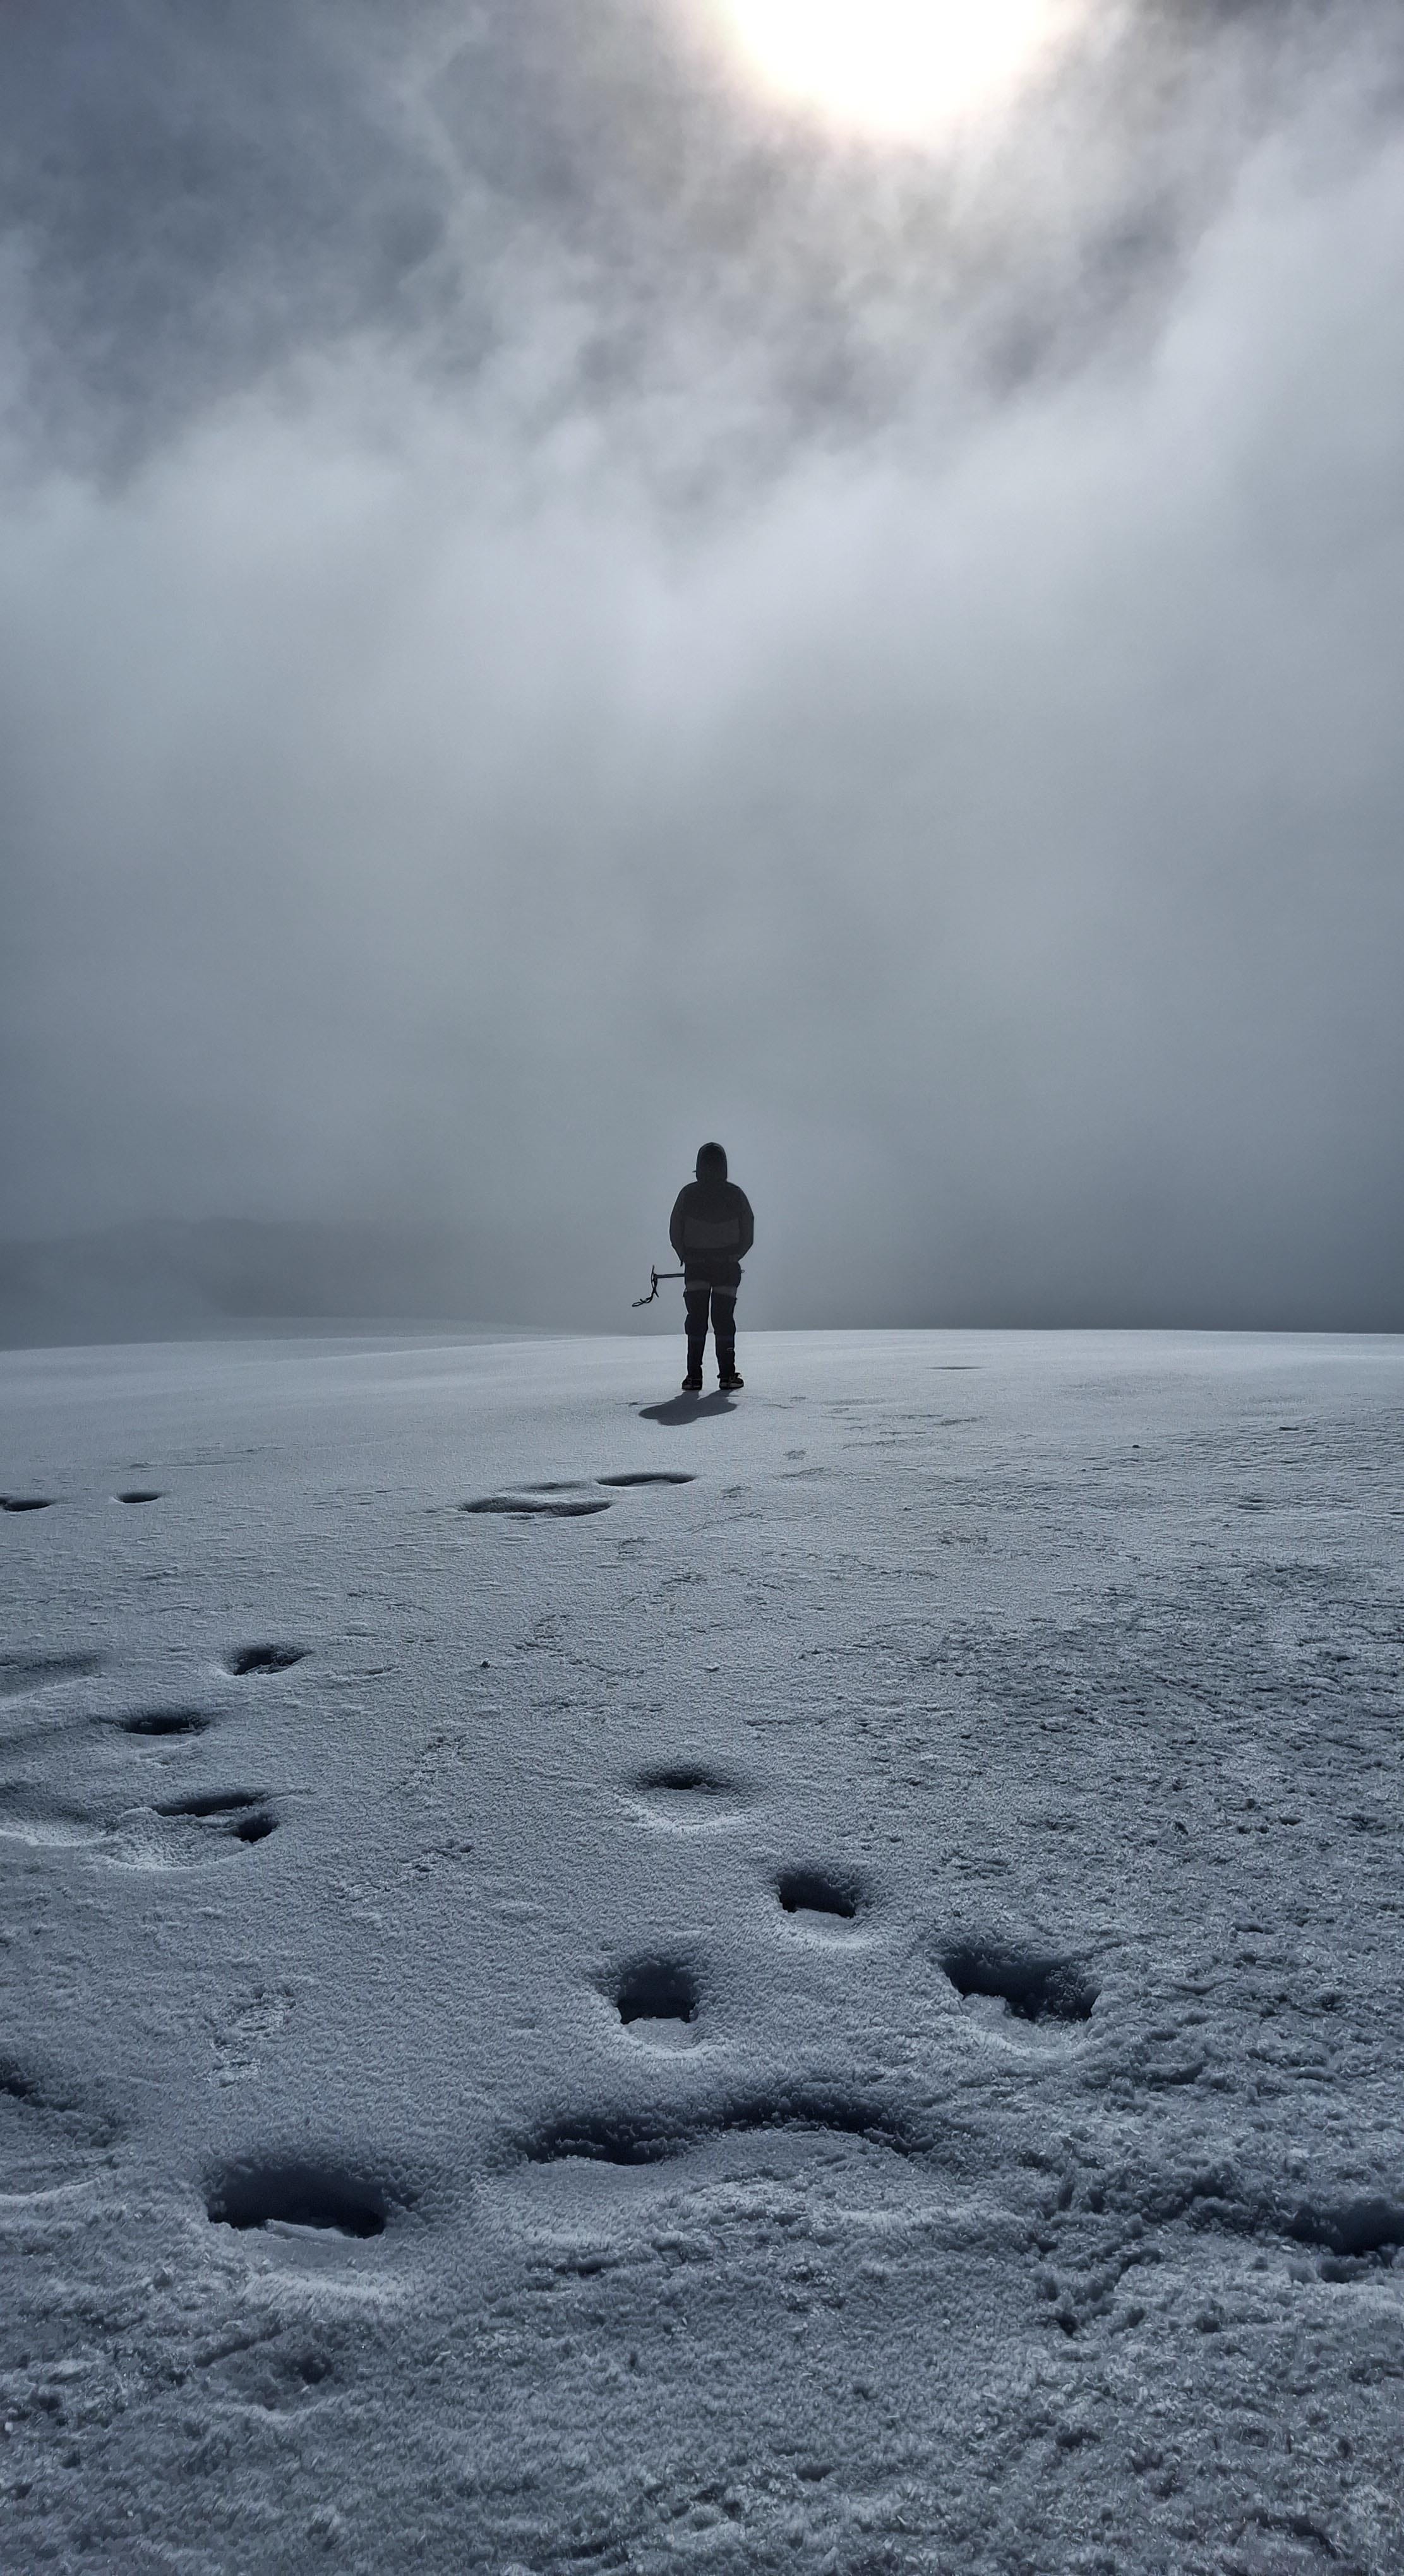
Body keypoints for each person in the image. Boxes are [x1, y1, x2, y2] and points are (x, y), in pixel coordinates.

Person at [669, 1142, 754, 1393]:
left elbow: (675, 1229)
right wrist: (735, 1255)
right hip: (727, 1267)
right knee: (724, 1319)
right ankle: (727, 1375)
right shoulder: (736, 1194)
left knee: (696, 1321)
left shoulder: (688, 1194)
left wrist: (685, 1255)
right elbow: (748, 1231)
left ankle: (693, 1377)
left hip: (695, 1267)